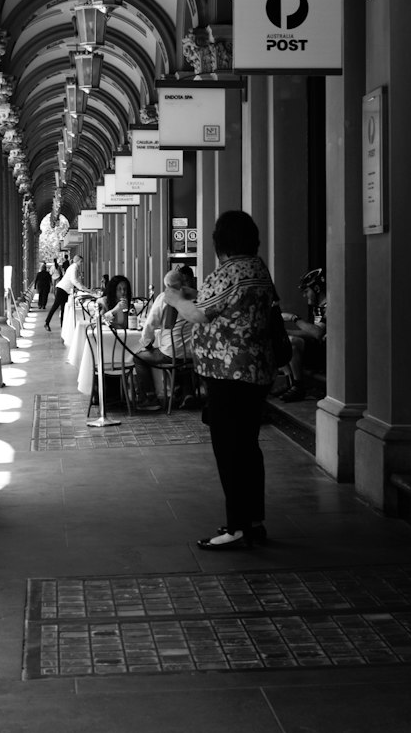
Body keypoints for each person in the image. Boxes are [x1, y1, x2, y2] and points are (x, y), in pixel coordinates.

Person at [165, 210, 280, 550]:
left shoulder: (230, 271)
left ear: (221, 241)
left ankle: (237, 526)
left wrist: (172, 296)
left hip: (229, 374)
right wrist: (191, 293)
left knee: (230, 449)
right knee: (248, 447)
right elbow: (216, 302)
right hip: (256, 371)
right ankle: (253, 521)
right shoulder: (258, 269)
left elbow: (199, 312)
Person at [132, 265, 198, 409]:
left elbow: (150, 324)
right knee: (182, 358)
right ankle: (187, 394)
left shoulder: (164, 298)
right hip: (194, 353)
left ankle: (150, 398)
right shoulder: (197, 297)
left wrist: (147, 343)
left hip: (171, 352)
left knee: (139, 357)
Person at [275, 268, 326, 401]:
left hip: (328, 356)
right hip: (318, 349)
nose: (305, 295)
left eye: (306, 291)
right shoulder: (318, 306)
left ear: (317, 288)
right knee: (282, 339)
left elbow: (318, 333)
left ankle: (298, 386)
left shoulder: (329, 307)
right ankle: (290, 382)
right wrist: (287, 332)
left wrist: (294, 318)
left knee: (292, 343)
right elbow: (313, 332)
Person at [44, 252, 90, 331]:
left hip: (65, 290)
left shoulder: (73, 267)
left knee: (63, 308)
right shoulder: (74, 267)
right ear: (77, 261)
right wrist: (83, 289)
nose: (81, 263)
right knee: (56, 306)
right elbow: (74, 280)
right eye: (81, 261)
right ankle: (47, 322)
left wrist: (83, 287)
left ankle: (63, 326)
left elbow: (76, 280)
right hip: (62, 289)